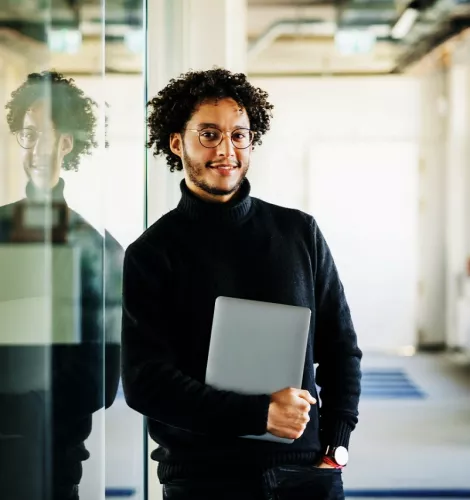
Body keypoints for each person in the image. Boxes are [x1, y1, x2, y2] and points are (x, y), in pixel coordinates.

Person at [122, 68, 362, 500]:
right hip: (203, 477)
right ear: (177, 143)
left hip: (304, 472)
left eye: (239, 135)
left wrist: (338, 441)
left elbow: (341, 346)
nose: (226, 150)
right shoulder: (151, 253)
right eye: (209, 134)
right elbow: (146, 382)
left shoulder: (299, 232)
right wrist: (258, 414)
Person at [0, 71, 123, 500]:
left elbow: (101, 383)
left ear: (67, 143)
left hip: (53, 463)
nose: (34, 149)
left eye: (45, 136)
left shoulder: (99, 249)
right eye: (27, 135)